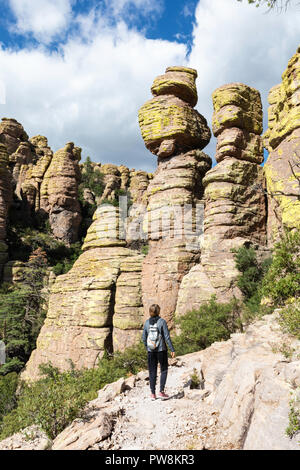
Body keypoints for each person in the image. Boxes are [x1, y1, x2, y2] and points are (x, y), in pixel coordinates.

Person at [142, 304, 175, 400]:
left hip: (151, 351)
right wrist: (172, 349)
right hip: (161, 350)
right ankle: (161, 391)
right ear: (158, 311)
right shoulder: (162, 322)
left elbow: (144, 338)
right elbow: (167, 337)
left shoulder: (147, 323)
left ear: (150, 312)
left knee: (152, 371)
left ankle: (153, 394)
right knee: (164, 369)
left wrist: (147, 347)